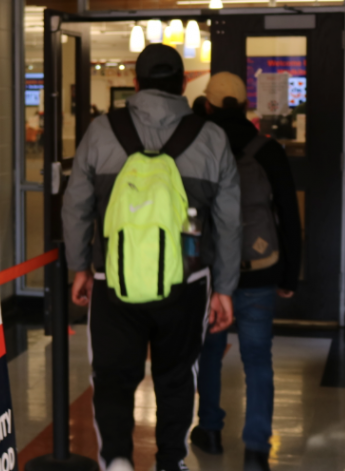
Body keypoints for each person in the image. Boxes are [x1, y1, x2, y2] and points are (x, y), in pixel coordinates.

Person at [63, 45, 242, 471]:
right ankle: (170, 462)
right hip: (188, 283)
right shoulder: (213, 138)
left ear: (137, 84)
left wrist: (79, 267)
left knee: (111, 376)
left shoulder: (101, 132)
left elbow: (76, 207)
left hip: (113, 281)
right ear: (183, 85)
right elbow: (230, 222)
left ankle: (119, 459)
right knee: (177, 378)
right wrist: (225, 289)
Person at [189, 72, 302, 471]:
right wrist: (289, 274)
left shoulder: (197, 147)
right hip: (259, 267)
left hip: (208, 270)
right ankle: (256, 450)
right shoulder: (267, 151)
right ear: (244, 106)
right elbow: (287, 214)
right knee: (257, 357)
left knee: (210, 350)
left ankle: (212, 430)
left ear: (208, 105)